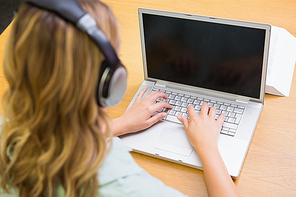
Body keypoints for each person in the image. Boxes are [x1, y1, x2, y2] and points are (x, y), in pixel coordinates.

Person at [0, 0, 240, 196]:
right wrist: (207, 147)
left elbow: (55, 143)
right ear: (111, 83)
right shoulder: (122, 184)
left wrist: (119, 124)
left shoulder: (7, 131)